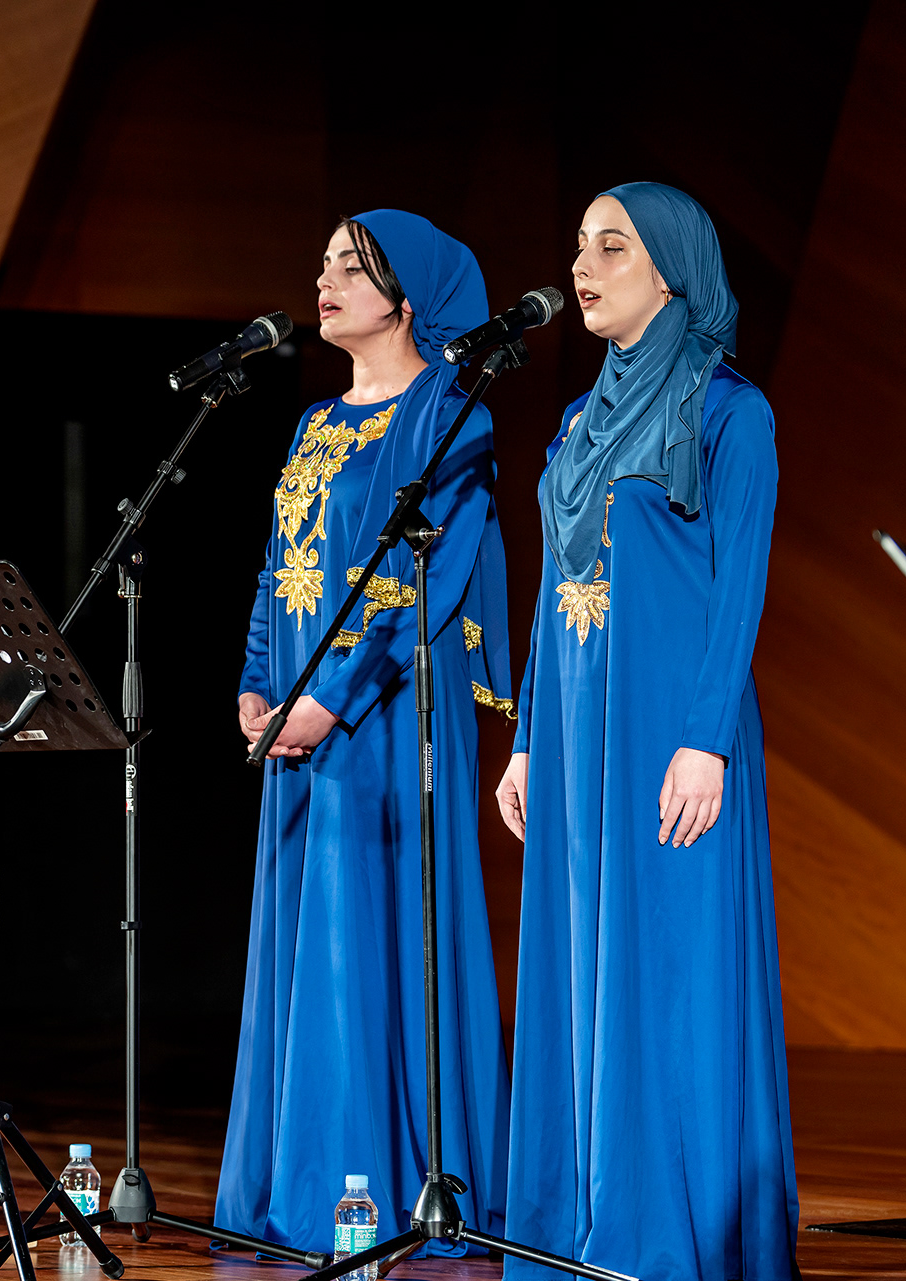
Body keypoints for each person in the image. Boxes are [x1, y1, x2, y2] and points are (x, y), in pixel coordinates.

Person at [495, 183, 797, 1281]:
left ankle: (680, 1234)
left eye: (611, 247)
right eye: (579, 245)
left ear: (670, 269)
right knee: (585, 974)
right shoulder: (578, 422)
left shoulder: (729, 411)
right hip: (580, 741)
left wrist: (706, 739)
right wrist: (528, 738)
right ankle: (584, 1221)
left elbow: (739, 589)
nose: (583, 267)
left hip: (673, 738)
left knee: (674, 972)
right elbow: (552, 589)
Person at [220, 211, 515, 1252]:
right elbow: (279, 568)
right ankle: (301, 1187)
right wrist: (260, 686)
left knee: (371, 939)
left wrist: (331, 699)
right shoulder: (313, 422)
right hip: (297, 718)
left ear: (406, 295)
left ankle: (380, 1186)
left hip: (387, 718)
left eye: (353, 266)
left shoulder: (449, 412)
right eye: (325, 263)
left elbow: (418, 590)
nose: (327, 279)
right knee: (308, 939)